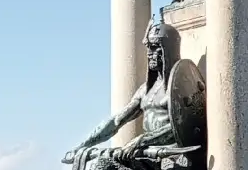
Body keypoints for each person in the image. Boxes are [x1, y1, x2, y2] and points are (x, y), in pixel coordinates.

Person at [62, 21, 204, 170]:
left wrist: (141, 140)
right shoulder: (145, 90)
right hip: (145, 156)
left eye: (155, 47)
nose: (149, 53)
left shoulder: (181, 87)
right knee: (97, 165)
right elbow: (116, 121)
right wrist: (82, 146)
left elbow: (180, 127)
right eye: (148, 47)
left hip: (173, 158)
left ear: (168, 50)